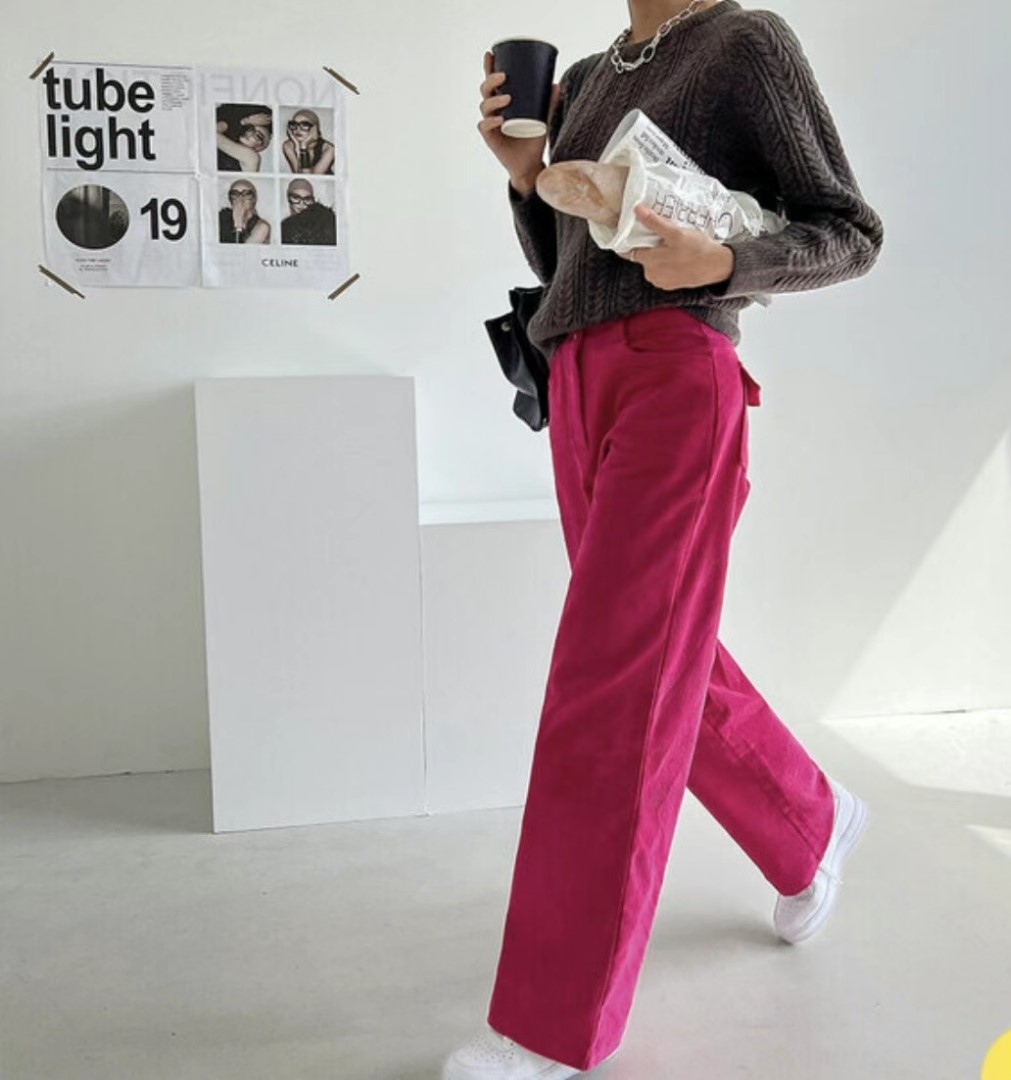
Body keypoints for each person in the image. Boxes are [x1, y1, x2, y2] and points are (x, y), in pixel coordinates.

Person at [445, 3, 883, 1078]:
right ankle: (811, 822)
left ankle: (550, 1029)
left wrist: (725, 262)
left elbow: (847, 231)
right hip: (578, 379)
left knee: (610, 684)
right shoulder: (597, 73)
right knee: (659, 657)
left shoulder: (745, 43)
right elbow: (575, 258)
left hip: (678, 376)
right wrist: (525, 176)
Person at [280, 179, 337, 246]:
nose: (301, 204)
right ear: (288, 198)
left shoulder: (325, 222)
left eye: (307, 199)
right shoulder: (285, 227)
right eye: (296, 197)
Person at [216, 107, 273, 172]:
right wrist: (245, 121)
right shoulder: (226, 135)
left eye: (258, 136)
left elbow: (211, 134)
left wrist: (245, 121)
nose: (250, 133)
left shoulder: (252, 159)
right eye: (250, 128)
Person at [282, 109, 335, 175]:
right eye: (294, 124)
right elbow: (301, 176)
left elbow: (311, 178)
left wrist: (303, 147)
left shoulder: (329, 148)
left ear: (315, 128)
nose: (298, 129)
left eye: (304, 125)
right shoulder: (288, 146)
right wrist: (298, 149)